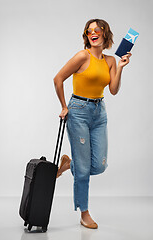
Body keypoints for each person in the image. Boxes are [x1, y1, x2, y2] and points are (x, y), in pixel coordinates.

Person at [53, 18, 132, 229]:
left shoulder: (110, 61)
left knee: (99, 165)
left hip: (100, 112)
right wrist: (63, 106)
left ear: (106, 33)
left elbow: (113, 90)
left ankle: (69, 164)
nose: (93, 33)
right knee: (84, 170)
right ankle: (84, 212)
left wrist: (121, 66)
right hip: (78, 111)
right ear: (87, 36)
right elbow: (58, 78)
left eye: (97, 30)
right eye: (89, 31)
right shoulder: (82, 56)